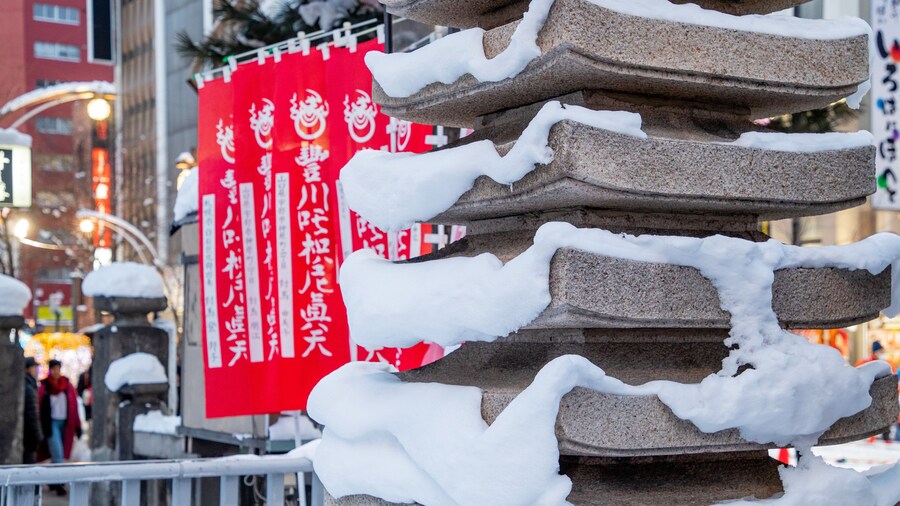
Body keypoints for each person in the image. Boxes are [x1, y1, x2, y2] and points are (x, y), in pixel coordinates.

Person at [38, 360, 81, 494]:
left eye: (58, 368)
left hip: (65, 424)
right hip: (51, 424)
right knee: (58, 454)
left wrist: (77, 425)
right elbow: (40, 407)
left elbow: (73, 406)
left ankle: (52, 480)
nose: (56, 372)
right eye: (54, 369)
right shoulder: (45, 386)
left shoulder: (67, 385)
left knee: (58, 454)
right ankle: (58, 483)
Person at [22, 357, 42, 464]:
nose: (36, 370)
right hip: (29, 435)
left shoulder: (29, 384)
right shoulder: (28, 387)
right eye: (34, 367)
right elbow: (32, 413)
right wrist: (38, 435)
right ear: (28, 369)